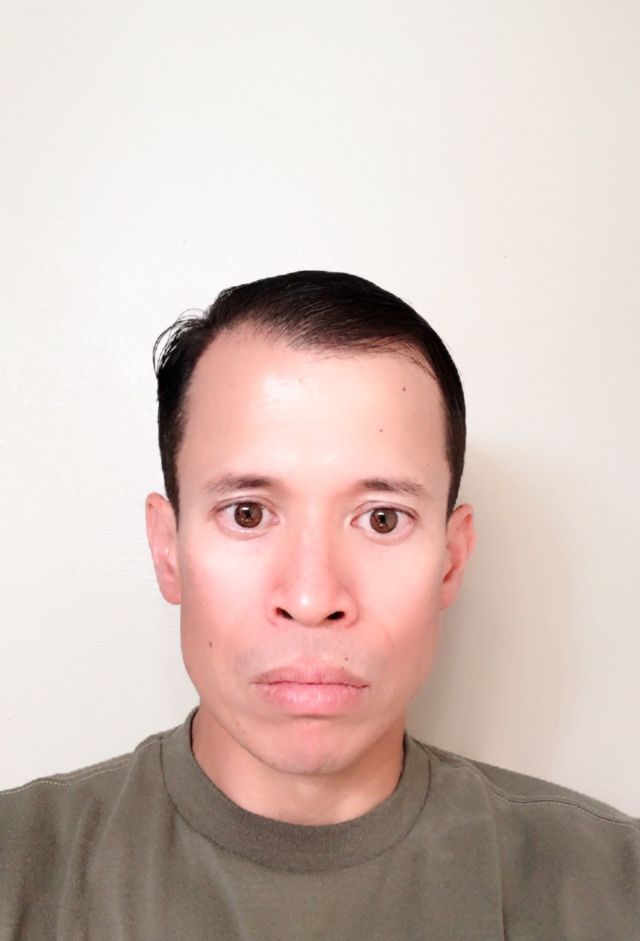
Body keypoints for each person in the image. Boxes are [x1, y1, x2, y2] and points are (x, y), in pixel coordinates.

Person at [1, 271, 638, 940]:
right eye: (248, 513)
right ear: (168, 549)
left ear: (450, 560)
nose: (311, 599)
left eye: (382, 519)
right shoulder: (18, 872)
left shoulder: (615, 891)